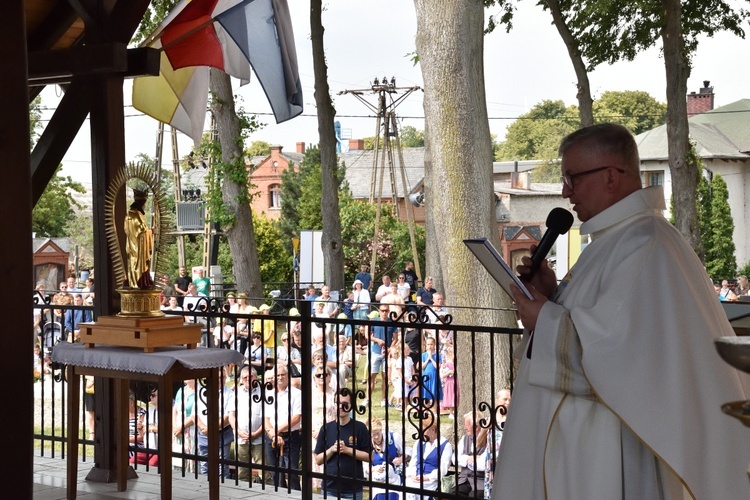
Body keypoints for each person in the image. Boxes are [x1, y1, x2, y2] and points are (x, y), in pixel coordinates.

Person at [498, 123, 750, 499]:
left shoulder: (644, 243)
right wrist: (552, 299)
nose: (566, 191)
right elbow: (604, 324)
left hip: (607, 449)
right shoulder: (617, 238)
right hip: (587, 442)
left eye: (572, 178)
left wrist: (543, 320)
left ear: (611, 177)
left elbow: (621, 355)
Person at [314, 389, 372, 500]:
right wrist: (332, 449)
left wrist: (347, 450)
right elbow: (318, 460)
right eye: (337, 403)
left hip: (353, 490)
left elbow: (370, 456)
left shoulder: (360, 428)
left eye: (344, 404)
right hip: (330, 488)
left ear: (351, 405)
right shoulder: (326, 428)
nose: (340, 407)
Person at [264, 364, 302, 489]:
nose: (280, 377)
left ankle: (296, 496)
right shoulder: (268, 393)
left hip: (290, 437)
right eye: (277, 375)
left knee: (292, 472)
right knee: (274, 472)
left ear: (288, 376)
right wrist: (274, 434)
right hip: (271, 437)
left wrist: (277, 431)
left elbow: (296, 418)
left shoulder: (296, 394)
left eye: (283, 375)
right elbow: (266, 418)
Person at [195, 367, 235, 478]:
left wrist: (211, 428)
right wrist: (203, 427)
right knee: (205, 464)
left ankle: (224, 488)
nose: (220, 380)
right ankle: (203, 488)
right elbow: (194, 414)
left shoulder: (229, 393)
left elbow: (227, 416)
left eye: (222, 377)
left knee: (222, 465)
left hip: (223, 434)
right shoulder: (202, 391)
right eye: (217, 377)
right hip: (204, 434)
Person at [405, 413, 453, 500]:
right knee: (406, 489)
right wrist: (412, 474)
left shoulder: (445, 445)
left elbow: (443, 469)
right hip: (415, 478)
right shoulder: (419, 443)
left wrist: (427, 477)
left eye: (423, 430)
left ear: (433, 430)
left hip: (430, 481)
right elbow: (413, 462)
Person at [232, 365, 266, 483]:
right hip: (241, 439)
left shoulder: (264, 392)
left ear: (256, 378)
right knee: (242, 473)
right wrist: (240, 432)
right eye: (245, 377)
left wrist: (256, 433)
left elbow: (268, 418)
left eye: (250, 376)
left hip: (259, 438)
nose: (248, 379)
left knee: (265, 473)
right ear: (241, 379)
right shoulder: (236, 393)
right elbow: (231, 416)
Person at [311, 366, 337, 491]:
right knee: (317, 469)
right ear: (314, 378)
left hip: (331, 433)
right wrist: (312, 431)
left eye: (325, 374)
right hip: (314, 434)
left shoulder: (335, 394)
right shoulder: (310, 394)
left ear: (330, 376)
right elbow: (305, 415)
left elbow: (341, 414)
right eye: (318, 375)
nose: (322, 377)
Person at [369, 417, 406, 500]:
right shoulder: (368, 444)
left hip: (394, 479)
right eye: (373, 434)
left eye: (377, 433)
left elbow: (407, 453)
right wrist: (374, 469)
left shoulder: (394, 437)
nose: (376, 437)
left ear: (381, 430)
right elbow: (365, 468)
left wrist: (400, 459)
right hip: (378, 481)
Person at [124, 188, 154, 289]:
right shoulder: (133, 215)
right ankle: (138, 281)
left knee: (142, 263)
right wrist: (152, 232)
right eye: (144, 203)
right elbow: (140, 231)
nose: (145, 206)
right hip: (136, 245)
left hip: (140, 245)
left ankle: (144, 280)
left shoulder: (137, 214)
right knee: (137, 263)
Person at [484, 389, 510, 499]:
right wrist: (486, 428)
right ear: (497, 400)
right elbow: (479, 444)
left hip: (507, 463)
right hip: (491, 464)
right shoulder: (490, 419)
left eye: (510, 399)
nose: (508, 402)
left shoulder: (514, 420)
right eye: (505, 399)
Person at [456, 411, 488, 498]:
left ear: (476, 427)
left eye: (467, 425)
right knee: (451, 495)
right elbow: (455, 458)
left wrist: (464, 459)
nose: (464, 428)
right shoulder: (464, 438)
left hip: (480, 481)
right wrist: (469, 459)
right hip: (463, 480)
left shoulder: (488, 439)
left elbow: (482, 465)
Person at [418, 337, 442, 406]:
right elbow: (422, 367)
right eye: (428, 344)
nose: (430, 346)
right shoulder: (423, 355)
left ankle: (435, 411)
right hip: (425, 376)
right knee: (426, 394)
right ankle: (427, 409)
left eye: (431, 344)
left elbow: (438, 366)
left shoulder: (438, 355)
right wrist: (427, 359)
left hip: (434, 376)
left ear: (434, 345)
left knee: (435, 394)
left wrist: (431, 358)